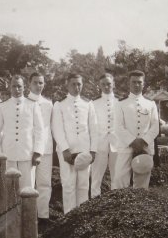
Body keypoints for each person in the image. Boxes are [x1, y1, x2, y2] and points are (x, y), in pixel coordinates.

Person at [51, 73, 97, 213]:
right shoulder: (60, 104)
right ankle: (69, 216)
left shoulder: (88, 104)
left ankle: (82, 217)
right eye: (73, 84)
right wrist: (65, 149)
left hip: (84, 151)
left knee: (83, 184)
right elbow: (57, 128)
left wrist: (93, 150)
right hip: (67, 152)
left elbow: (93, 128)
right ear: (67, 84)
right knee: (68, 185)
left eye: (79, 84)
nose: (77, 87)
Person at [0, 75, 45, 192]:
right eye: (14, 86)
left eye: (19, 86)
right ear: (10, 87)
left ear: (24, 87)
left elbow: (40, 130)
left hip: (27, 154)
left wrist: (37, 152)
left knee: (27, 189)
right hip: (8, 154)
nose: (16, 89)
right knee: (9, 190)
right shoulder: (3, 106)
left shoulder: (32, 105)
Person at [112, 71, 159, 190]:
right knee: (120, 181)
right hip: (126, 147)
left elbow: (155, 127)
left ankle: (139, 203)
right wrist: (133, 141)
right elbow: (118, 127)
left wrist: (143, 141)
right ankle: (120, 202)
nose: (136, 85)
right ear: (129, 83)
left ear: (144, 84)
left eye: (139, 82)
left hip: (145, 147)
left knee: (142, 185)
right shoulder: (120, 103)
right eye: (134, 82)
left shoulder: (150, 103)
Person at [27, 72, 54, 222]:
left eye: (41, 83)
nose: (38, 85)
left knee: (44, 183)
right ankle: (29, 217)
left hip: (45, 149)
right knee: (28, 184)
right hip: (28, 148)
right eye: (35, 82)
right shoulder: (24, 102)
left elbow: (50, 127)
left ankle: (43, 216)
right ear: (29, 84)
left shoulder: (48, 104)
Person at [90, 73, 118, 197]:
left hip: (117, 143)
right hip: (99, 143)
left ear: (113, 84)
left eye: (109, 84)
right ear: (99, 85)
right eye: (103, 84)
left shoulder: (120, 102)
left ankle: (117, 203)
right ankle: (94, 203)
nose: (106, 87)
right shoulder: (93, 103)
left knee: (117, 177)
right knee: (96, 178)